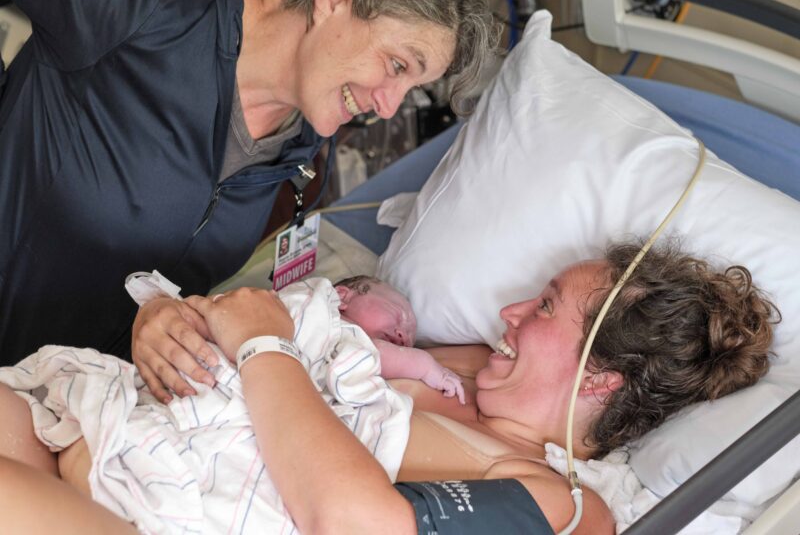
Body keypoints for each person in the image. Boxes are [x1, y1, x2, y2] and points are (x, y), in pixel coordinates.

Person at [0, 242, 778, 532]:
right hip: (103, 439)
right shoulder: (457, 366)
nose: (508, 312)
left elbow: (357, 524)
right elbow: (278, 329)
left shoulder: (565, 508)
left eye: (543, 308)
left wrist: (263, 346)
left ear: (600, 377)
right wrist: (164, 327)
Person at [0, 0, 496, 364]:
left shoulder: (302, 143)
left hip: (72, 417)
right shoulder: (144, 2)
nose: (388, 107)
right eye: (396, 65)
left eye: (411, 87)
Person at [335, 275, 464, 403]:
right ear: (342, 296)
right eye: (399, 316)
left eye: (410, 338)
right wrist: (427, 367)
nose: (404, 335)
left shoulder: (352, 346)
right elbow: (374, 353)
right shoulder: (324, 309)